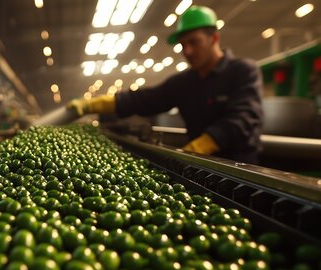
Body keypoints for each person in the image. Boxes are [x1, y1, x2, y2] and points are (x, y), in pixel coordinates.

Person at [69, 6, 263, 163]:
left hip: (241, 168)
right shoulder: (185, 82)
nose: (187, 51)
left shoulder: (242, 71)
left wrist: (200, 146)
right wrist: (93, 104)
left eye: (194, 42)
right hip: (199, 165)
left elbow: (243, 119)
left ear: (214, 38)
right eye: (183, 45)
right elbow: (144, 100)